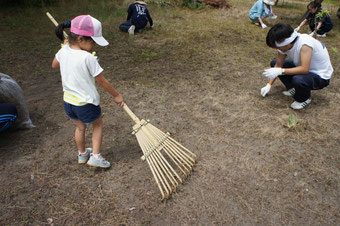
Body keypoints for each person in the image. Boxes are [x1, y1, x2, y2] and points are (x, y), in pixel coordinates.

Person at [52, 15, 124, 168]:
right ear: (80, 39)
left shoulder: (63, 51)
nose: (94, 45)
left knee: (80, 127)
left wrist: (64, 48)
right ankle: (96, 157)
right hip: (86, 103)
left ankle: (82, 154)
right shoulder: (87, 58)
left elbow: (54, 65)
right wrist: (116, 95)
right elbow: (102, 81)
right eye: (92, 41)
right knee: (97, 125)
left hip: (69, 103)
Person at [260, 23, 333, 110]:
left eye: (278, 48)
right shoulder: (284, 45)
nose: (278, 50)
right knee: (274, 63)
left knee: (298, 79)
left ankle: (304, 99)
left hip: (320, 76)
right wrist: (269, 84)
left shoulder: (305, 44)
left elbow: (304, 70)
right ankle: (293, 88)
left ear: (286, 42)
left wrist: (280, 71)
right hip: (305, 67)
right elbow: (278, 65)